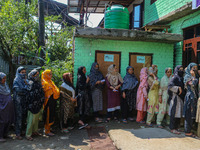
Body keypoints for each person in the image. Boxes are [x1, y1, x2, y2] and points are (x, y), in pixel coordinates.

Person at [25, 69, 44, 141]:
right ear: (31, 75)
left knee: (36, 120)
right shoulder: (30, 83)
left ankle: (35, 131)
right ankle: (28, 134)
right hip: (32, 105)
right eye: (35, 75)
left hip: (38, 104)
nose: (37, 76)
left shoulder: (38, 83)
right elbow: (29, 95)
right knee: (31, 120)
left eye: (37, 75)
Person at [41, 69, 60, 136]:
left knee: (51, 115)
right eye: (49, 74)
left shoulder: (50, 81)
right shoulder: (44, 82)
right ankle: (47, 131)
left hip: (52, 101)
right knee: (48, 116)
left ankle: (49, 128)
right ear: (46, 75)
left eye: (51, 74)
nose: (51, 75)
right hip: (48, 102)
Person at [168, 65, 185, 134]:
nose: (181, 71)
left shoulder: (181, 78)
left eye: (182, 69)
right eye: (180, 69)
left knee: (178, 113)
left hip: (180, 97)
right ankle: (172, 128)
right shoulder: (175, 77)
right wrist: (178, 88)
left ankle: (177, 127)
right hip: (175, 97)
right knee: (174, 113)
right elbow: (170, 87)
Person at [13, 66, 28, 140]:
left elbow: (28, 89)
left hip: (24, 101)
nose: (24, 74)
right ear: (18, 73)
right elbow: (19, 91)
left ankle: (22, 131)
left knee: (24, 116)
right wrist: (26, 87)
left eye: (25, 72)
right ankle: (17, 133)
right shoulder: (16, 80)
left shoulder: (25, 80)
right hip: (18, 102)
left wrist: (25, 87)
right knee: (19, 117)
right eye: (22, 72)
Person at [183, 63, 198, 137]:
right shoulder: (187, 77)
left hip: (194, 98)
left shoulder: (194, 76)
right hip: (189, 98)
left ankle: (189, 129)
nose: (194, 69)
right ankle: (187, 131)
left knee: (192, 115)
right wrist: (193, 76)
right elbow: (193, 84)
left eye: (196, 68)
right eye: (193, 68)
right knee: (188, 114)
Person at [0, 72, 15, 142]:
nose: (5, 80)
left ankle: (5, 134)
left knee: (8, 120)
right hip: (2, 109)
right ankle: (0, 136)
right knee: (2, 121)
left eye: (5, 78)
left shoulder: (5, 86)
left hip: (8, 108)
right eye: (3, 78)